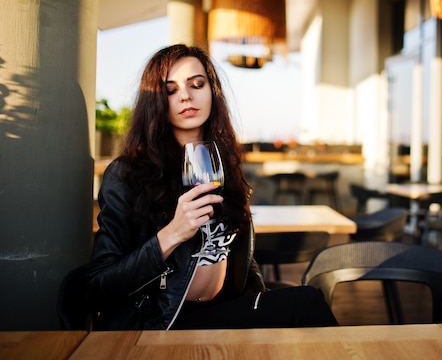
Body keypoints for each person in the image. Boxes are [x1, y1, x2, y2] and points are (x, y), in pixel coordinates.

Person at [86, 44, 338, 330]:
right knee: (304, 304)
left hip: (224, 310)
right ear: (155, 101)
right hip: (163, 321)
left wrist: (257, 300)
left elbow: (240, 254)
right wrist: (172, 234)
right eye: (170, 90)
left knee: (304, 304)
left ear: (212, 92)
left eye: (197, 84)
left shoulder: (222, 165)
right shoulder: (127, 174)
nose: (186, 95)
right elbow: (97, 287)